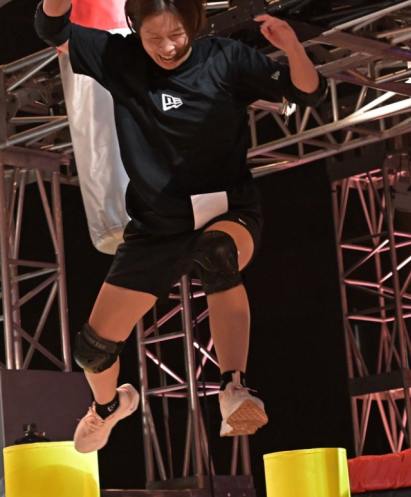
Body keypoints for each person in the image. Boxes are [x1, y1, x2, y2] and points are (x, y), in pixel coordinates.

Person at [35, 0, 327, 453]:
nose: (167, 47)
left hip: (227, 211)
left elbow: (309, 93)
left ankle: (234, 388)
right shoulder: (120, 59)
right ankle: (108, 407)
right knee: (92, 350)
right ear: (135, 30)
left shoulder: (224, 58)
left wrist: (291, 46)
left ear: (194, 25)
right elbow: (51, 28)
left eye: (177, 35)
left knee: (217, 253)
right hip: (158, 226)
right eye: (154, 37)